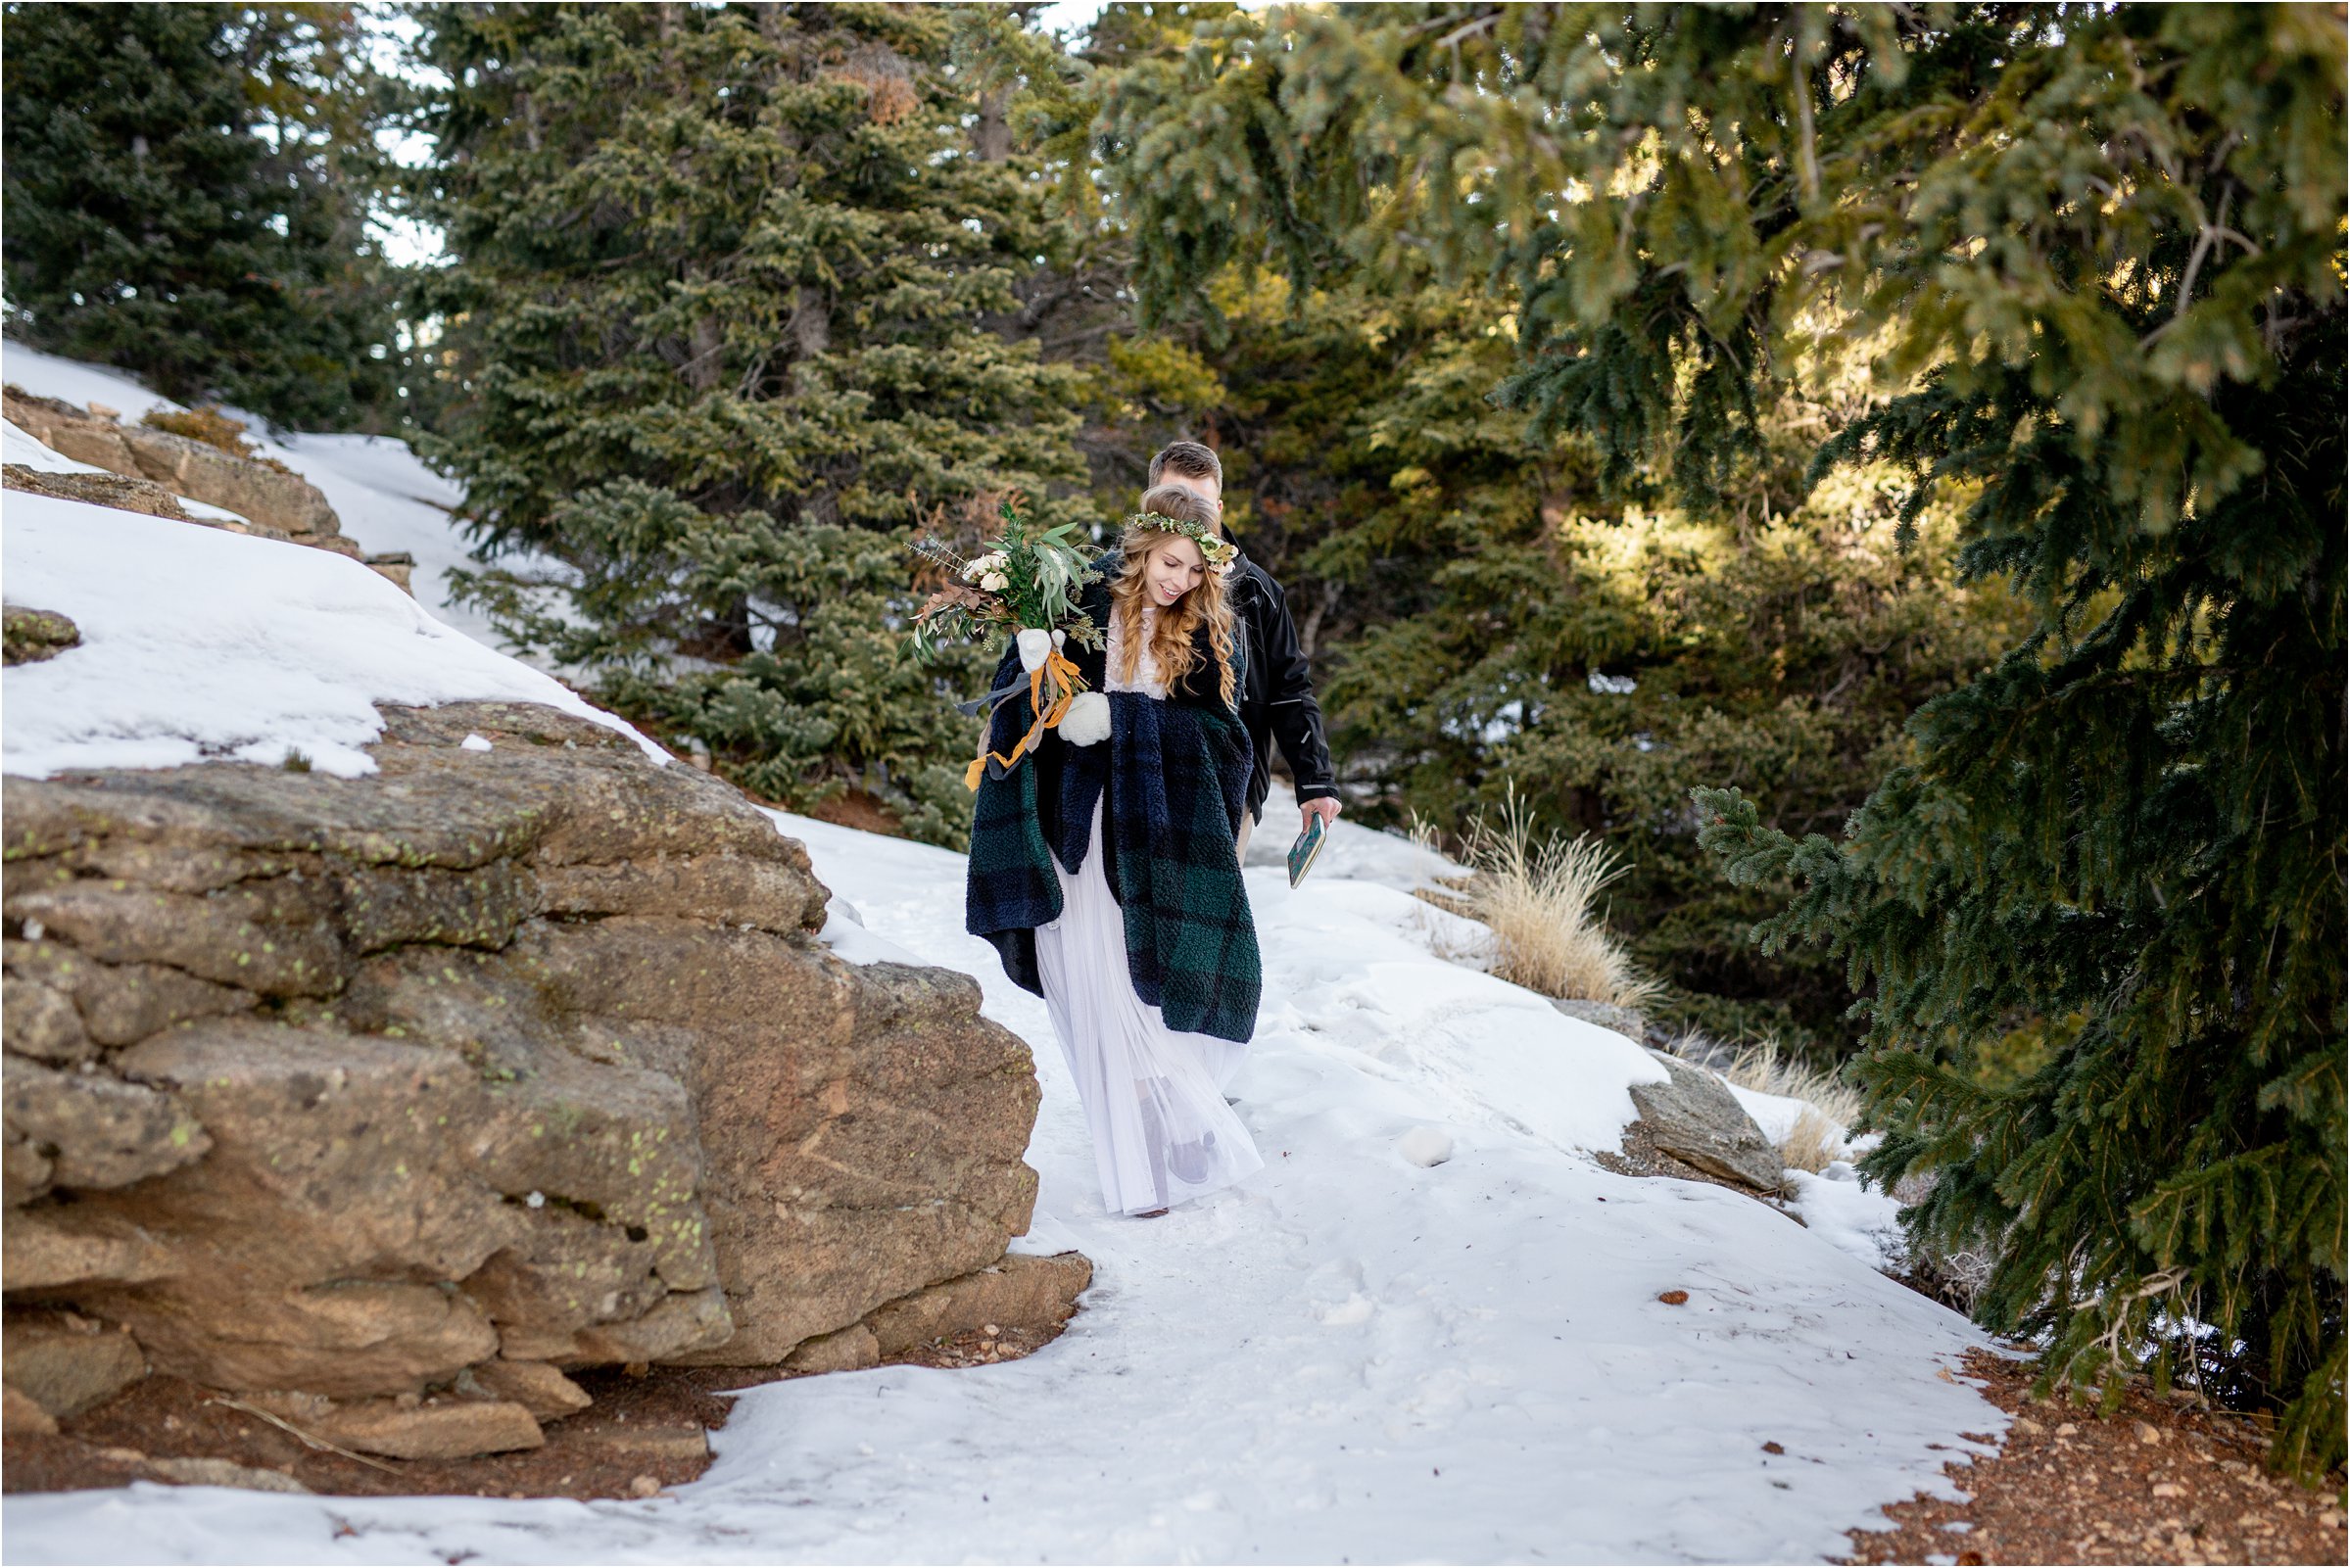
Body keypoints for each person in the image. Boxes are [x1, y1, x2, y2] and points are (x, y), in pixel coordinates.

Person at [965, 486, 1266, 1217]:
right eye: (1170, 563)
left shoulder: (1198, 627)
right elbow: (1017, 704)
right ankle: (1141, 1154)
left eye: (1195, 571)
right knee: (1095, 980)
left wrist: (1124, 721)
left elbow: (1226, 739)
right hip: (1078, 825)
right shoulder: (1070, 601)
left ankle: (1177, 1116)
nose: (1179, 581)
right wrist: (1047, 687)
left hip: (1155, 833)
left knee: (1153, 980)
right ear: (1139, 547)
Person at [1147, 441, 1341, 860]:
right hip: (1132, 781)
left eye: (1199, 503)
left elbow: (1291, 690)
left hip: (1228, 789)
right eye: (1174, 500)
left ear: (1219, 506)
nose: (1188, 517)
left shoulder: (1256, 592)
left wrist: (1316, 782)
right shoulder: (1116, 582)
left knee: (1205, 922)